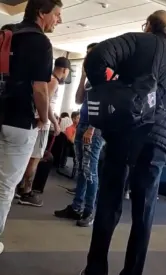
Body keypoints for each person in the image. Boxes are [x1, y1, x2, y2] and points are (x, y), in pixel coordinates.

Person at [80, 10, 166, 275]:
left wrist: (106, 91)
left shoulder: (137, 41)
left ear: (149, 25)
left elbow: (96, 57)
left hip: (126, 133)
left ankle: (95, 269)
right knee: (144, 211)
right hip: (159, 141)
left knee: (109, 202)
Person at [0, 0, 63, 260]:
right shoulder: (40, 42)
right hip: (20, 122)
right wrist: (44, 119)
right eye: (57, 14)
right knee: (5, 185)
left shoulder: (5, 33)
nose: (58, 20)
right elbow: (40, 89)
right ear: (42, 13)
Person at [54, 43, 112, 227]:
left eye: (91, 54)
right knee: (80, 167)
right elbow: (79, 99)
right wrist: (83, 77)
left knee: (90, 169)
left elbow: (106, 105)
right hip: (83, 123)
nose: (88, 57)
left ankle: (89, 211)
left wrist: (92, 128)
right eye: (87, 54)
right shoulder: (91, 78)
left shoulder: (107, 75)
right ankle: (76, 207)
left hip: (95, 127)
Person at [15, 57, 69, 207]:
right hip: (41, 125)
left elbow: (47, 103)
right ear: (65, 70)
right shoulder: (54, 81)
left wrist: (53, 116)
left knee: (30, 157)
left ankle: (21, 188)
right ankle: (26, 191)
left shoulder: (49, 79)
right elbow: (45, 102)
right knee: (35, 158)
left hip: (38, 122)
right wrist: (53, 123)